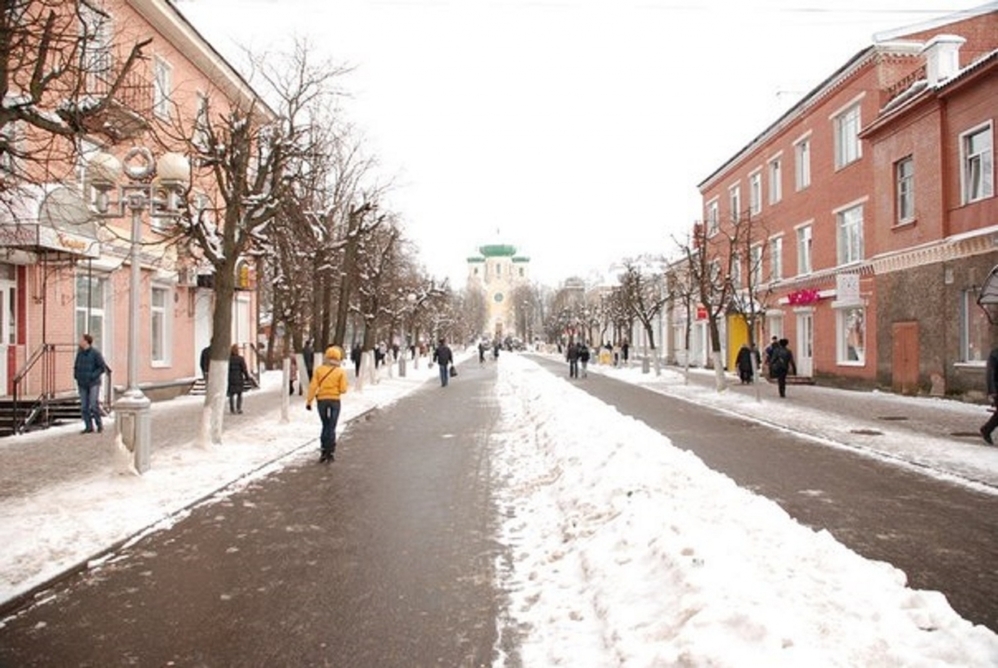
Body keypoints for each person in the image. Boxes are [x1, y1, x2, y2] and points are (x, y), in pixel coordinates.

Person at [306, 345, 349, 463]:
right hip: (335, 400)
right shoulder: (340, 372)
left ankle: (323, 451)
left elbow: (313, 386)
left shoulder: (319, 370)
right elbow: (343, 389)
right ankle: (330, 452)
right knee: (332, 426)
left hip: (321, 400)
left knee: (325, 425)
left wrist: (309, 401)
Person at [73, 334, 107, 434]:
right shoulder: (80, 354)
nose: (79, 341)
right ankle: (88, 426)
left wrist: (93, 375)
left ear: (86, 341)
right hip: (82, 383)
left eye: (81, 340)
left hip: (93, 383)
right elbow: (76, 365)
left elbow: (102, 367)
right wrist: (76, 375)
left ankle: (99, 424)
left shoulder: (95, 353)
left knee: (93, 404)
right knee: (84, 406)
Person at [980, 346, 998, 445]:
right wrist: (992, 391)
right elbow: (990, 374)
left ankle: (986, 429)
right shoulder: (995, 354)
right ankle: (986, 429)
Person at [227, 344, 252, 414]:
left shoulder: (228, 359)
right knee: (239, 394)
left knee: (231, 395)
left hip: (230, 378)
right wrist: (247, 378)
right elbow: (244, 369)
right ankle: (238, 408)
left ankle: (232, 409)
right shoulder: (240, 359)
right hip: (238, 378)